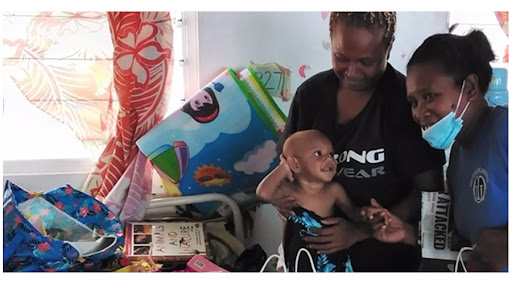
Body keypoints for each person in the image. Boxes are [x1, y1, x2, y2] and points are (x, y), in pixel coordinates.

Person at [273, 12, 446, 272]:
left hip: (384, 260)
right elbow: (287, 166)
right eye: (341, 58)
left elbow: (428, 192)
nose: (352, 72)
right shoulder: (310, 96)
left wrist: (359, 230)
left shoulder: (405, 102)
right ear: (331, 40)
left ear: (388, 47)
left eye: (367, 61)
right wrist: (281, 196)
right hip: (308, 258)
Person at [364, 30, 508, 272]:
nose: (420, 113)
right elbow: (464, 245)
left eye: (430, 96)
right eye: (413, 102)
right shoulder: (457, 160)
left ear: (470, 88)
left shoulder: (505, 130)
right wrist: (407, 233)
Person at [257, 130, 389, 272]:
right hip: (298, 259)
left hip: (330, 259)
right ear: (295, 164)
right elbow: (263, 193)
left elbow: (353, 213)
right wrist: (283, 167)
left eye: (331, 154)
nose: (329, 159)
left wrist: (365, 213)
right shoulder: (288, 191)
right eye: (318, 154)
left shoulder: (333, 190)